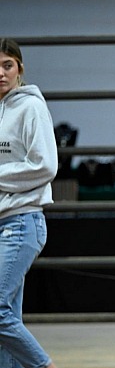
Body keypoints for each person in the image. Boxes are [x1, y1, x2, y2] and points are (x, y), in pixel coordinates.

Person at [0, 38, 59, 368]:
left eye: (7, 65)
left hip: (21, 222)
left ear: (20, 69)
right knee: (7, 318)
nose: (1, 73)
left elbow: (46, 165)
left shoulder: (31, 107)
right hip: (2, 221)